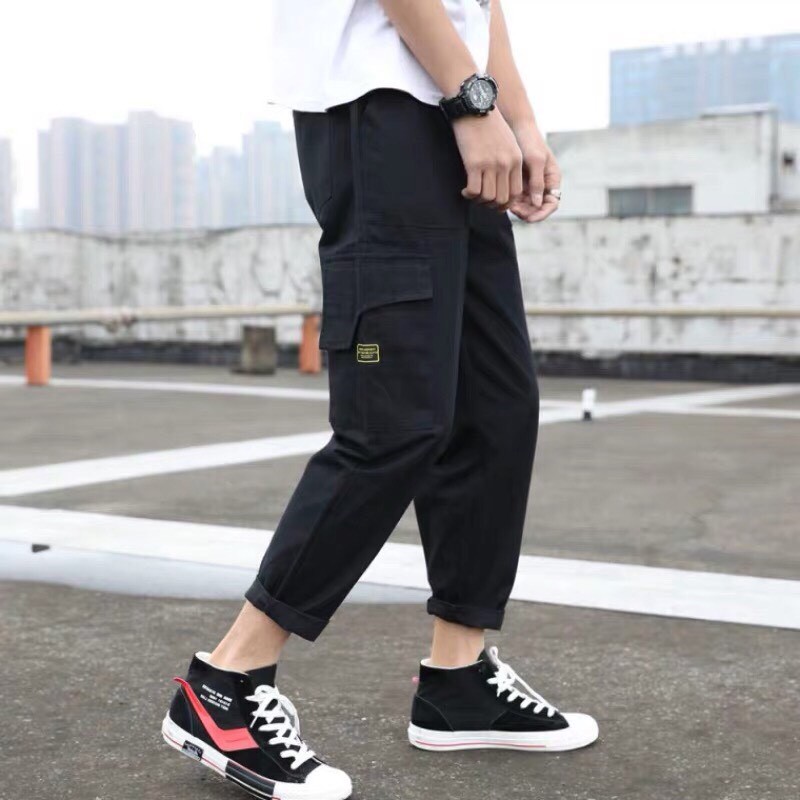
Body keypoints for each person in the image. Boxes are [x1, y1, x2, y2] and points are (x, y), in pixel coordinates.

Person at [161, 1, 598, 797]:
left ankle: (458, 681)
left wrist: (519, 119)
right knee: (393, 419)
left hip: (458, 105)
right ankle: (224, 684)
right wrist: (472, 102)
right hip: (380, 106)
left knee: (494, 408)